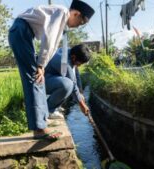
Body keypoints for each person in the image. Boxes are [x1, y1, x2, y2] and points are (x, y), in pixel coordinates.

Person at [8, 1, 95, 140]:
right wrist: (41, 65)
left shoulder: (61, 18)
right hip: (21, 31)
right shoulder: (61, 12)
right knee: (35, 78)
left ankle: (41, 122)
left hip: (22, 33)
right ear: (76, 13)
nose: (77, 26)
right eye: (80, 22)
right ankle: (40, 129)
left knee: (37, 80)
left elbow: (53, 45)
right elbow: (49, 38)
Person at [45, 44, 90, 119]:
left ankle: (54, 106)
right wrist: (82, 105)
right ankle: (48, 110)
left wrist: (81, 92)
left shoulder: (69, 52)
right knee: (68, 85)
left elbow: (76, 74)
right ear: (74, 57)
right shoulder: (64, 61)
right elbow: (73, 85)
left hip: (50, 78)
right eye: (80, 63)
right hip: (42, 81)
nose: (80, 66)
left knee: (70, 85)